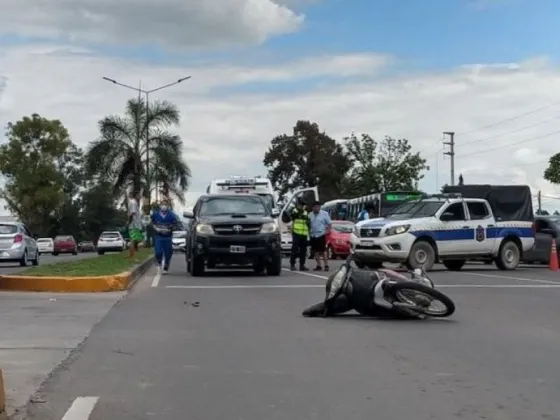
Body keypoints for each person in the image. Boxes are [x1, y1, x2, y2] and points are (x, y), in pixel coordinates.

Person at [151, 198, 180, 274]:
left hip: (167, 237)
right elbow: (152, 223)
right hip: (158, 237)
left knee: (168, 253)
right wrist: (156, 228)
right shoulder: (155, 214)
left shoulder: (171, 215)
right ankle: (159, 261)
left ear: (168, 206)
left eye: (165, 205)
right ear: (160, 205)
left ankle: (166, 265)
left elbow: (175, 224)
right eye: (162, 204)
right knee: (158, 252)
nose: (164, 206)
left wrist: (170, 229)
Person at [309, 201, 331, 271]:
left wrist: (327, 232)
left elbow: (329, 224)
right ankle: (318, 265)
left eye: (318, 207)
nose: (317, 208)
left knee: (323, 251)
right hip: (313, 235)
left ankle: (326, 265)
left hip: (321, 234)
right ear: (313, 208)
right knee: (315, 251)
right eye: (315, 207)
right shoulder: (310, 215)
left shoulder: (324, 214)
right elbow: (308, 224)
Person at [289, 198, 309, 271]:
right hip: (296, 232)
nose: (303, 206)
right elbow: (294, 216)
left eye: (303, 205)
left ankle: (302, 265)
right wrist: (301, 210)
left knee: (303, 251)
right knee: (294, 249)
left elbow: (307, 221)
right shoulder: (295, 210)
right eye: (302, 205)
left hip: (304, 234)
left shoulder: (306, 212)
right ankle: (292, 264)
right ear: (298, 205)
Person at [127, 190, 144, 261]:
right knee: (133, 241)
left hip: (133, 224)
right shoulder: (134, 203)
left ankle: (131, 256)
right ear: (136, 195)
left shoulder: (131, 202)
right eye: (139, 195)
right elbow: (132, 214)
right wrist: (129, 222)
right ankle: (133, 257)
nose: (140, 196)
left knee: (133, 240)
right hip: (134, 224)